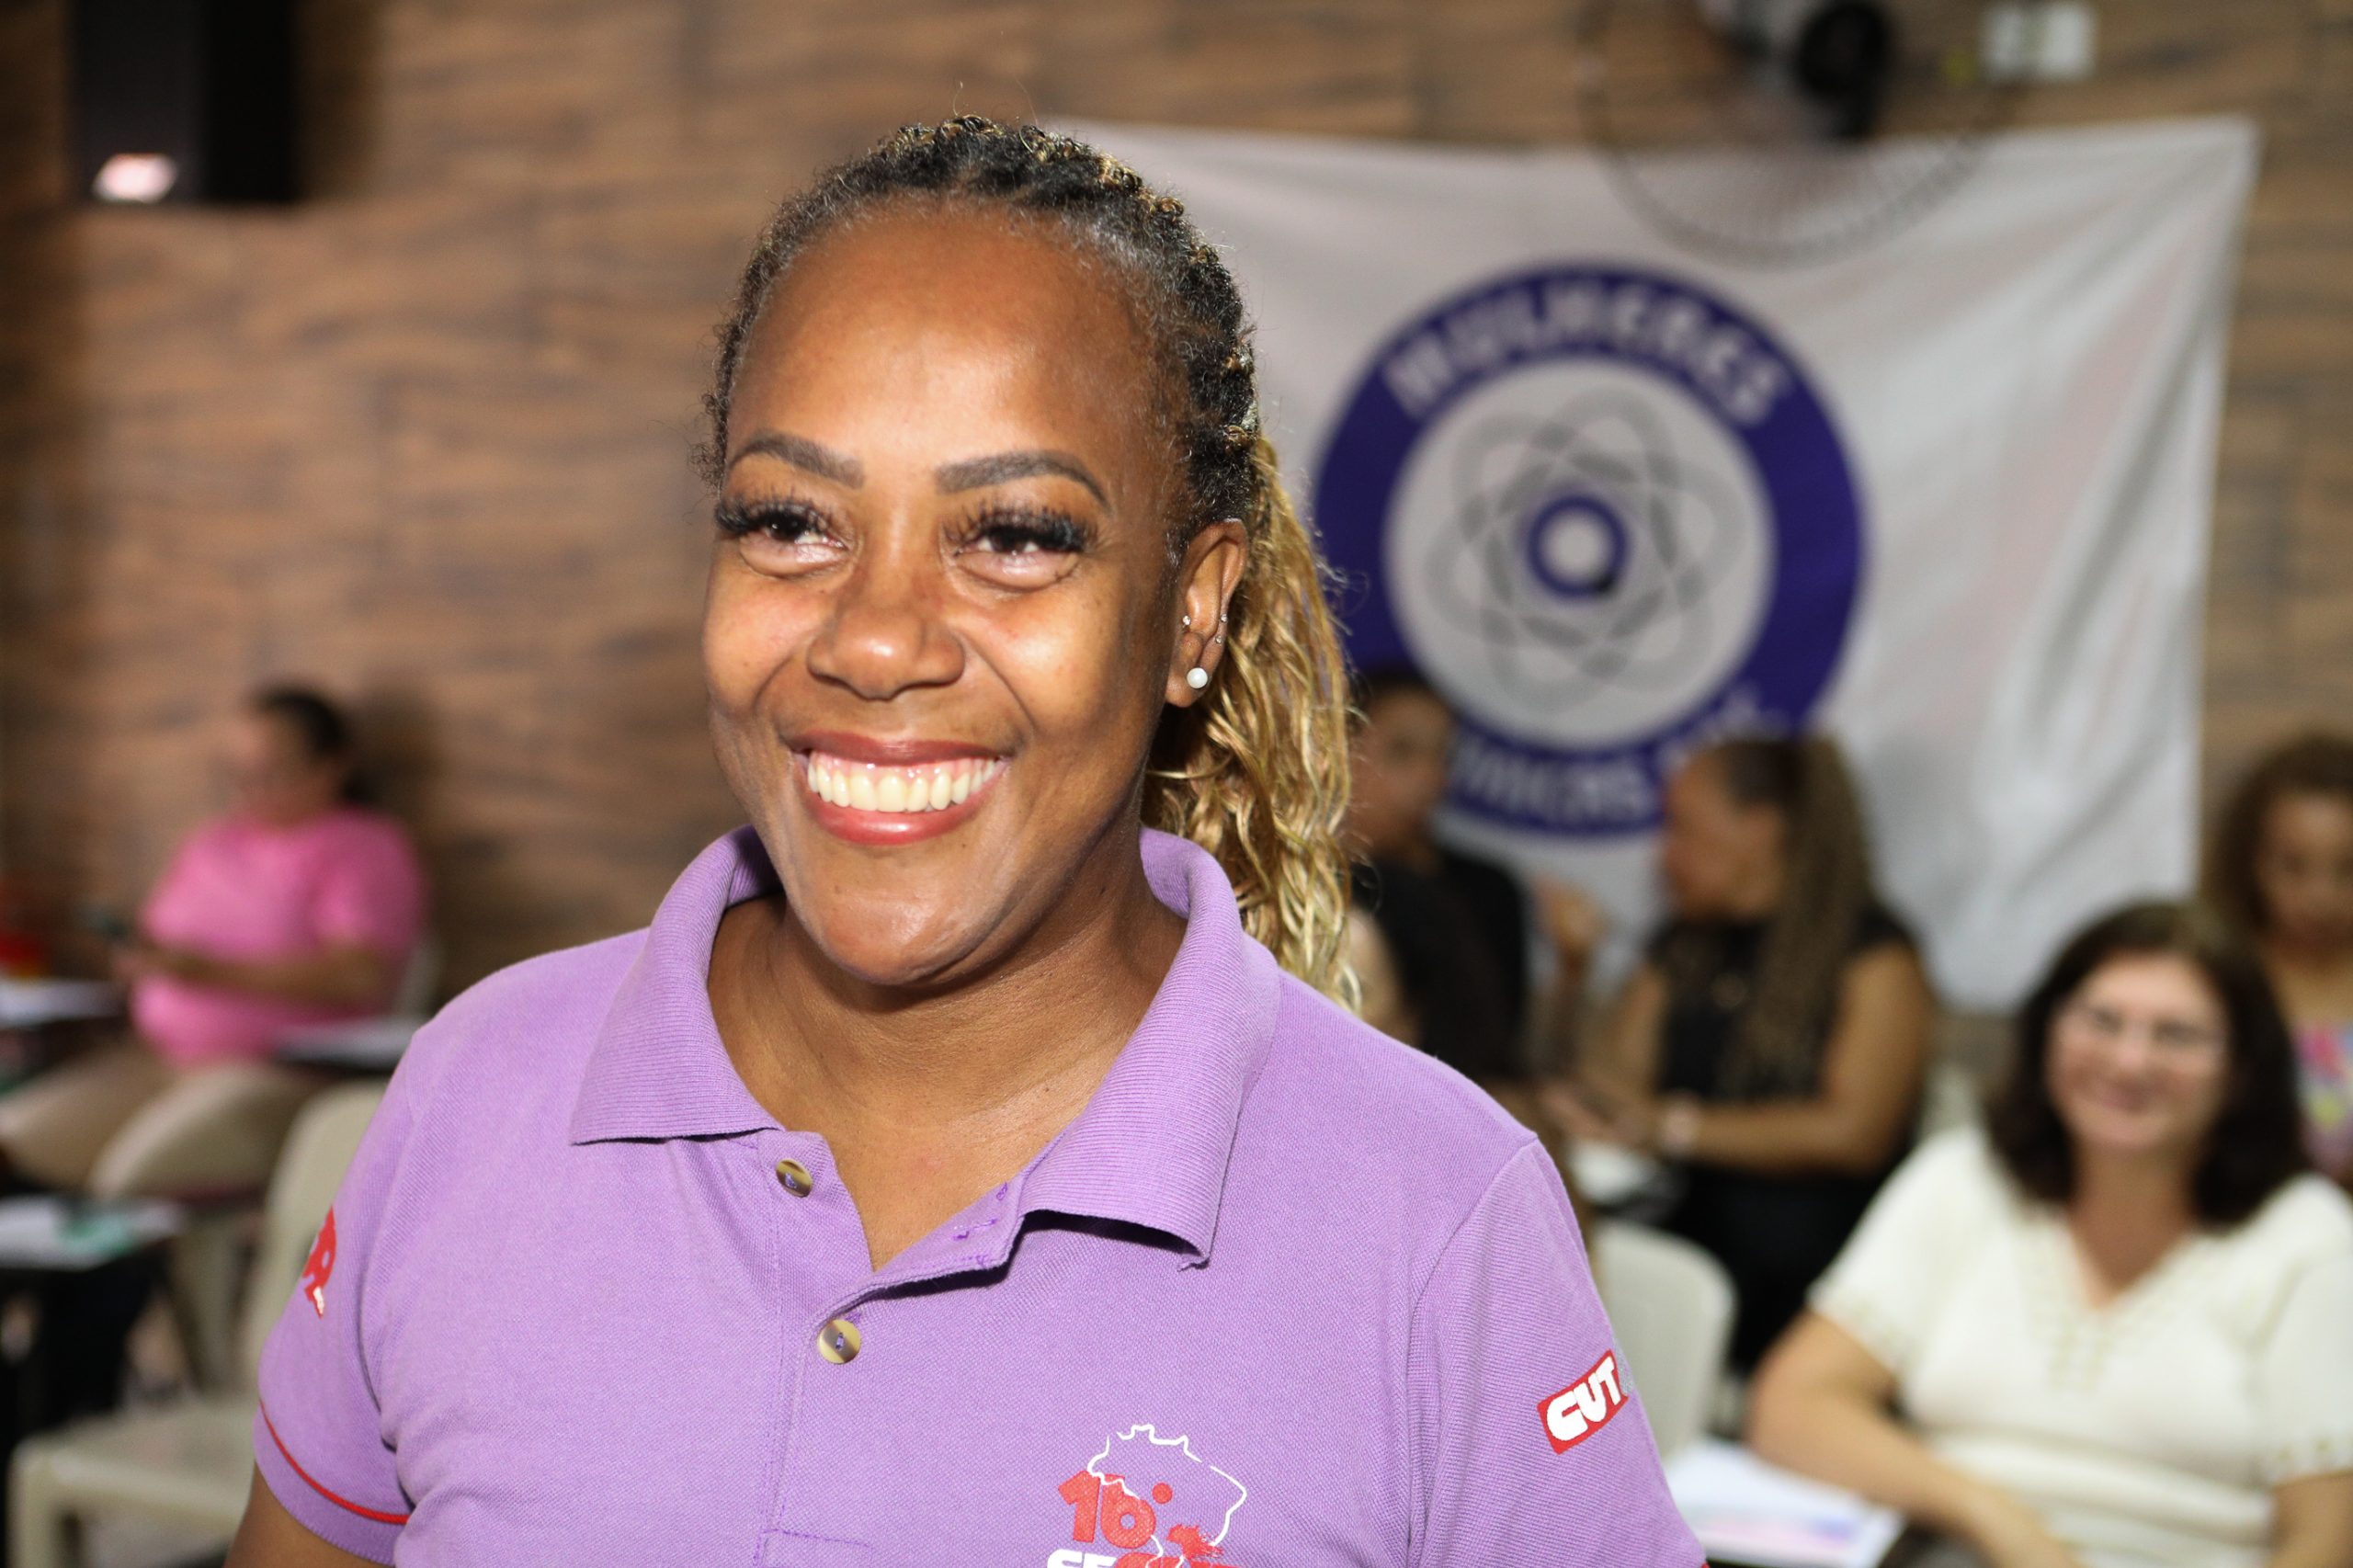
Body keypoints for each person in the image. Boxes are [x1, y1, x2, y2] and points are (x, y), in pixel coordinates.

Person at [228, 119, 1699, 1567]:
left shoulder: (1434, 1223)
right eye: (792, 522)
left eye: (1014, 534)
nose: (873, 639)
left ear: (1192, 607)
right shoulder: (481, 1093)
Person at [1748, 902, 2353, 1568]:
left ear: (2242, 1071)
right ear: (2046, 1035)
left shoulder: (2309, 1236)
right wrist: (1995, 1518)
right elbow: (1792, 1404)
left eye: (2177, 1036)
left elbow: (2326, 1540)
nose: (2129, 1062)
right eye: (2101, 1021)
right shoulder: (1963, 1179)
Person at [1544, 734, 1933, 1369]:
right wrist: (1573, 974)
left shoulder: (1873, 955)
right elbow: (1616, 1085)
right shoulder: (1685, 942)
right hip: (1668, 1244)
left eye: (1684, 829)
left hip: (1801, 1279)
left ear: (1760, 830)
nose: (1666, 855)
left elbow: (1854, 1131)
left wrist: (1674, 1128)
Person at [0, 687, 425, 1199]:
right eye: (239, 773)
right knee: (14, 1144)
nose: (250, 789)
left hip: (275, 1073)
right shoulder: (213, 842)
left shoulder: (364, 847)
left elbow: (361, 973)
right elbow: (164, 940)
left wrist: (203, 971)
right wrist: (143, 958)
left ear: (332, 766)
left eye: (272, 772)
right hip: (156, 1061)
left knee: (133, 1177)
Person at [1344, 665, 1562, 1085]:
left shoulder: (1487, 891)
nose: (1430, 779)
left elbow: (1504, 1060)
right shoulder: (1296, 887)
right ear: (1335, 749)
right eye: (1402, 752)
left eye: (1443, 757)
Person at [2209, 733, 2353, 1187]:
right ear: (2250, 861)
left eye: (2349, 869)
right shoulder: (2215, 975)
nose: (2320, 898)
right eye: (2292, 866)